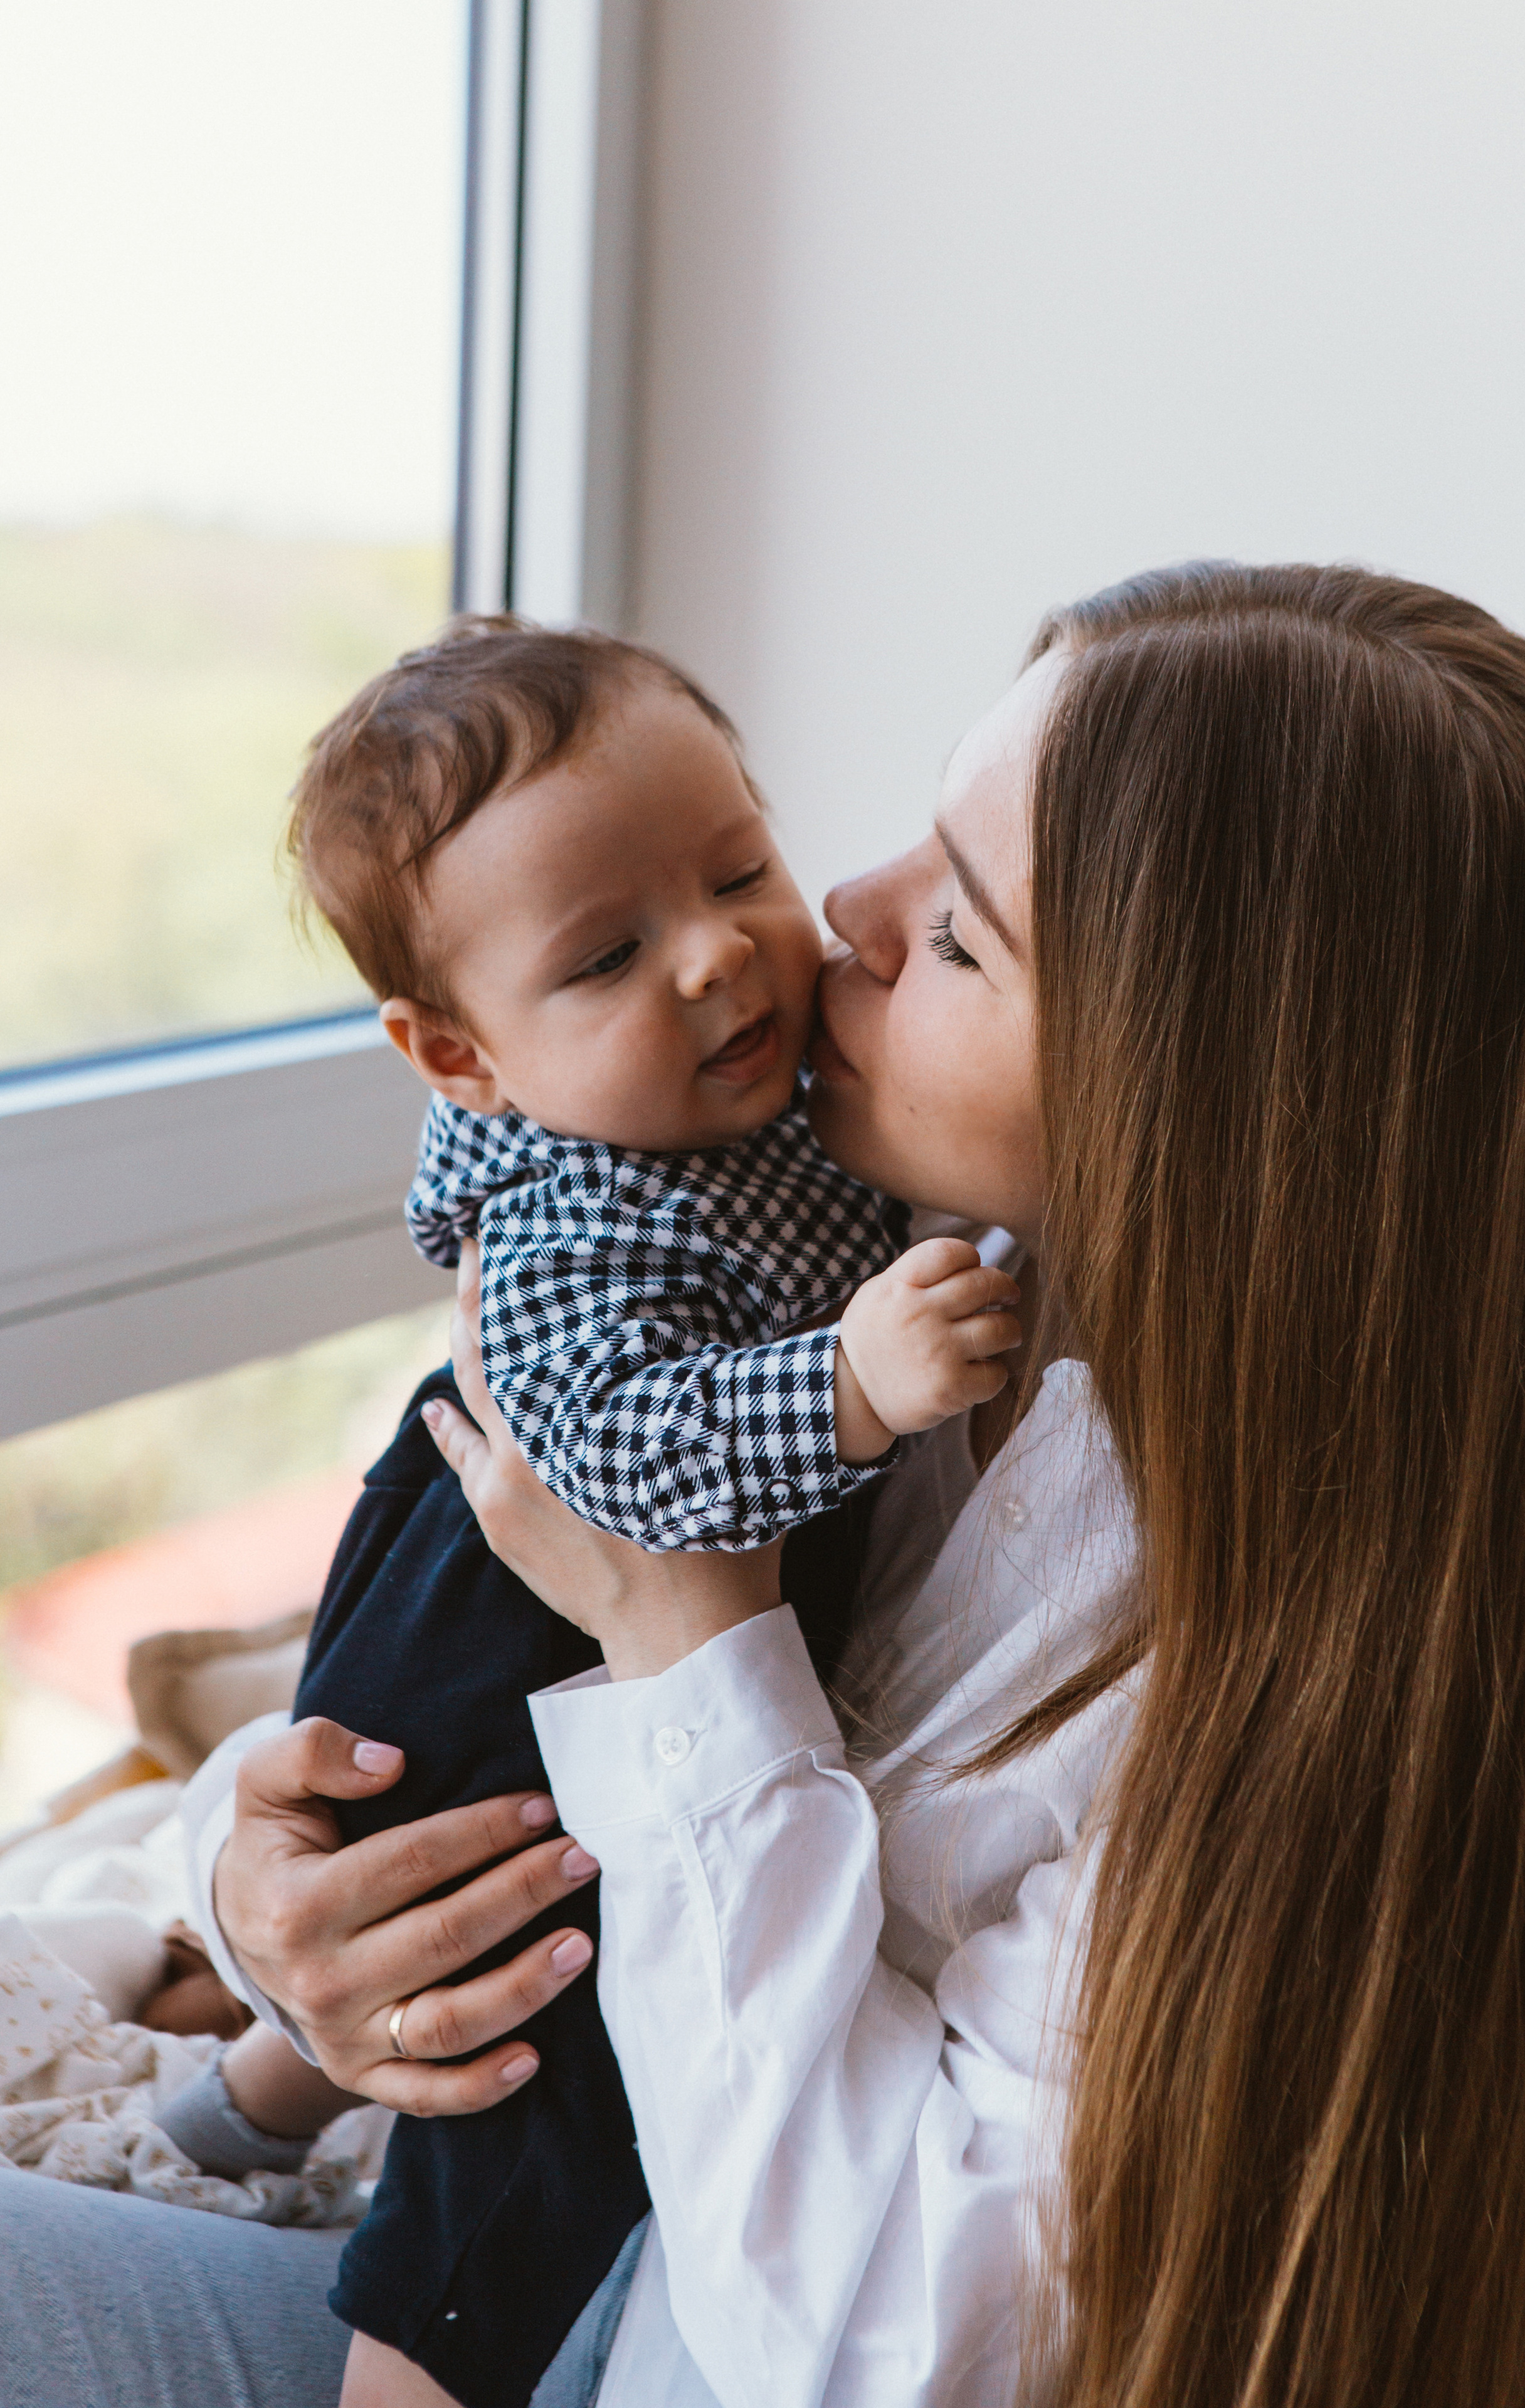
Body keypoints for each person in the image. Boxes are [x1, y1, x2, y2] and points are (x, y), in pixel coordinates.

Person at [0, 558, 1525, 2408]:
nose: (839, 912)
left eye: (964, 935)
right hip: (512, 2159)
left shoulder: (1297, 1704)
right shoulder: (890, 1251)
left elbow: (857, 2344)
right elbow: (454, 1651)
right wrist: (276, 1892)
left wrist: (686, 1630)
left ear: (1197, 1108)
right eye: (912, 840)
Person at [216, 614, 1021, 2407]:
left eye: (740, 867)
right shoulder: (578, 1221)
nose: (722, 956)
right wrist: (851, 1386)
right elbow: (627, 1462)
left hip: (574, 1666)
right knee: (512, 2124)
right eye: (605, 957)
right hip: (504, 1697)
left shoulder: (779, 1108)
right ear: (457, 1057)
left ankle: (260, 2086)